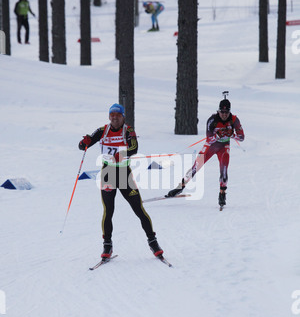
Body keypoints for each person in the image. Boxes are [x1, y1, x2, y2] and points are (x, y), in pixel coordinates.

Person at [79, 103, 164, 259]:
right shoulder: (102, 131)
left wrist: (122, 154)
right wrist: (84, 142)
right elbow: (83, 146)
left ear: (123, 116)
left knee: (139, 209)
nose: (114, 117)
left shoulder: (128, 130)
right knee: (108, 211)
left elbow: (134, 148)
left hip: (124, 174)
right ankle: (107, 246)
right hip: (108, 174)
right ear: (109, 116)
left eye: (118, 115)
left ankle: (153, 242)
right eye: (112, 115)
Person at [166, 96, 245, 208]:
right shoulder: (212, 120)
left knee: (224, 171)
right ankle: (180, 187)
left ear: (229, 112)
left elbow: (242, 138)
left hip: (224, 147)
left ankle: (222, 194)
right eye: (222, 112)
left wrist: (232, 134)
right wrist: (219, 135)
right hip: (211, 146)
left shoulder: (234, 120)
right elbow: (209, 139)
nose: (224, 114)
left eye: (226, 112)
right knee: (196, 167)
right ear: (218, 111)